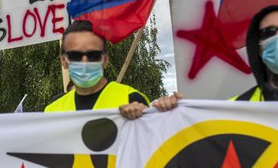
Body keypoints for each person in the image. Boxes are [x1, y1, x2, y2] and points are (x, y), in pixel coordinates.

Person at [45, 20, 179, 118]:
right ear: (63, 60)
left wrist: (168, 115)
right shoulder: (52, 111)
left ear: (105, 59)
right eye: (75, 55)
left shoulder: (132, 99)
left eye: (93, 55)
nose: (84, 62)